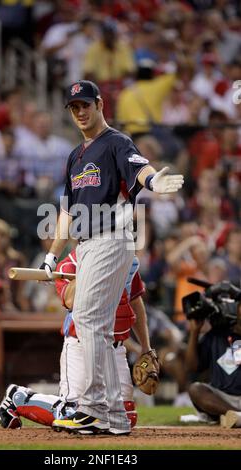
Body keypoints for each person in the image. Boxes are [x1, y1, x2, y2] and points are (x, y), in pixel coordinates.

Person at [35, 79, 184, 435]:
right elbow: (67, 213)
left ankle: (91, 407)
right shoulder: (75, 156)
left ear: (100, 104)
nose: (80, 112)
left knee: (86, 320)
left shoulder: (117, 142)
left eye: (85, 104)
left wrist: (152, 183)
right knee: (94, 326)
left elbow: (140, 168)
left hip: (111, 237)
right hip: (84, 245)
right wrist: (53, 257)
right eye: (74, 108)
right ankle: (112, 416)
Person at [0, 251, 152, 432]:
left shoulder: (125, 259)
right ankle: (18, 397)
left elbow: (135, 300)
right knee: (74, 413)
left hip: (114, 347)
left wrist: (146, 347)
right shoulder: (68, 264)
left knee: (125, 417)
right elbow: (70, 301)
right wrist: (91, 269)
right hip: (81, 345)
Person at [186, 300, 241, 428]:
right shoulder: (216, 335)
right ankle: (235, 414)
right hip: (222, 399)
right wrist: (194, 332)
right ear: (237, 308)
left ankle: (234, 417)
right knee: (196, 389)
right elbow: (192, 367)